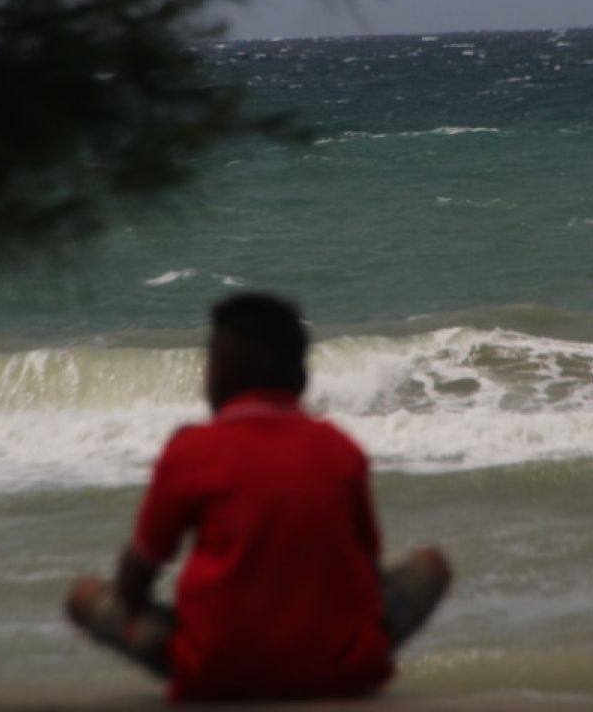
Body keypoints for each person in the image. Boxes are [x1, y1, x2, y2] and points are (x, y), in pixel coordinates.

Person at [65, 292, 450, 701]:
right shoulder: (340, 449)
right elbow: (368, 574)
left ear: (217, 376)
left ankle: (213, 652)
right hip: (339, 670)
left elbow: (134, 582)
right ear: (301, 378)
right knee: (430, 564)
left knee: (85, 596)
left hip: (218, 673)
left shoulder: (192, 451)